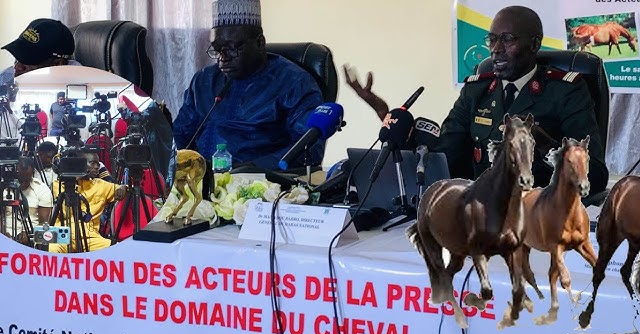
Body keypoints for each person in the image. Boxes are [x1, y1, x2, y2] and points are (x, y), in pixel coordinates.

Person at [345, 6, 609, 196]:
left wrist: (547, 146)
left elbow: (595, 176)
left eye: (507, 39)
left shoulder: (567, 90)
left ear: (534, 44)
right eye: (492, 39)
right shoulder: (477, 91)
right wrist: (385, 114)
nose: (496, 49)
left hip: (537, 213)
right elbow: (445, 156)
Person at [173, 0, 324, 170]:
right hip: (199, 183)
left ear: (260, 43)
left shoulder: (294, 83)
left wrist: (248, 170)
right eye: (217, 49)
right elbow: (180, 135)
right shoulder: (204, 80)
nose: (223, 58)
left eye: (231, 48)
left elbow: (309, 149)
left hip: (261, 186)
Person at [49, 152, 127, 253]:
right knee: (50, 250)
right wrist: (74, 178)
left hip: (90, 236)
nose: (97, 167)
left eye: (98, 164)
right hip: (61, 233)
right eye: (92, 163)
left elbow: (127, 190)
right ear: (81, 163)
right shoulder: (57, 185)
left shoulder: (101, 184)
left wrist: (123, 187)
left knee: (116, 251)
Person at [0, 19, 80, 85]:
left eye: (27, 60)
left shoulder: (81, 86)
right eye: (17, 57)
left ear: (57, 64)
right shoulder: (5, 77)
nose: (17, 67)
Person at [4, 157, 52, 246]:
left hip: (31, 236)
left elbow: (44, 222)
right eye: (20, 178)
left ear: (32, 173)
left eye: (27, 178)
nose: (23, 182)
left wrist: (31, 234)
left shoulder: (42, 189)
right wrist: (2, 233)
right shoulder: (3, 187)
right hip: (5, 234)